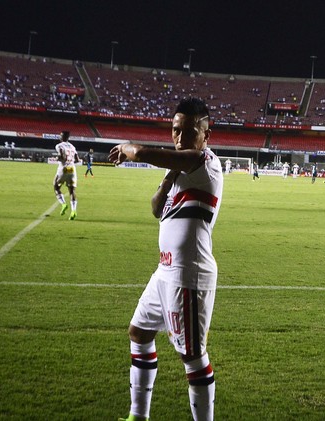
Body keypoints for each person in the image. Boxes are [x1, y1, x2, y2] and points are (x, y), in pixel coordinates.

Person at [109, 97, 222, 421]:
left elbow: (143, 153)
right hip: (165, 272)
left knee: (192, 356)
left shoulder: (205, 162)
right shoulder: (180, 170)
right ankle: (138, 416)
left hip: (188, 275)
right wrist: (169, 177)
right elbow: (157, 208)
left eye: (189, 132)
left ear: (206, 135)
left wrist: (130, 147)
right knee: (139, 333)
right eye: (175, 131)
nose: (180, 138)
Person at [53, 130, 80, 220]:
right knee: (72, 191)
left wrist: (57, 158)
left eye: (60, 135)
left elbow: (61, 156)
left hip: (63, 168)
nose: (59, 137)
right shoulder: (72, 146)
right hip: (72, 169)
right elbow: (77, 160)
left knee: (56, 186)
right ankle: (73, 211)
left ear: (63, 137)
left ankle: (63, 204)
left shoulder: (59, 145)